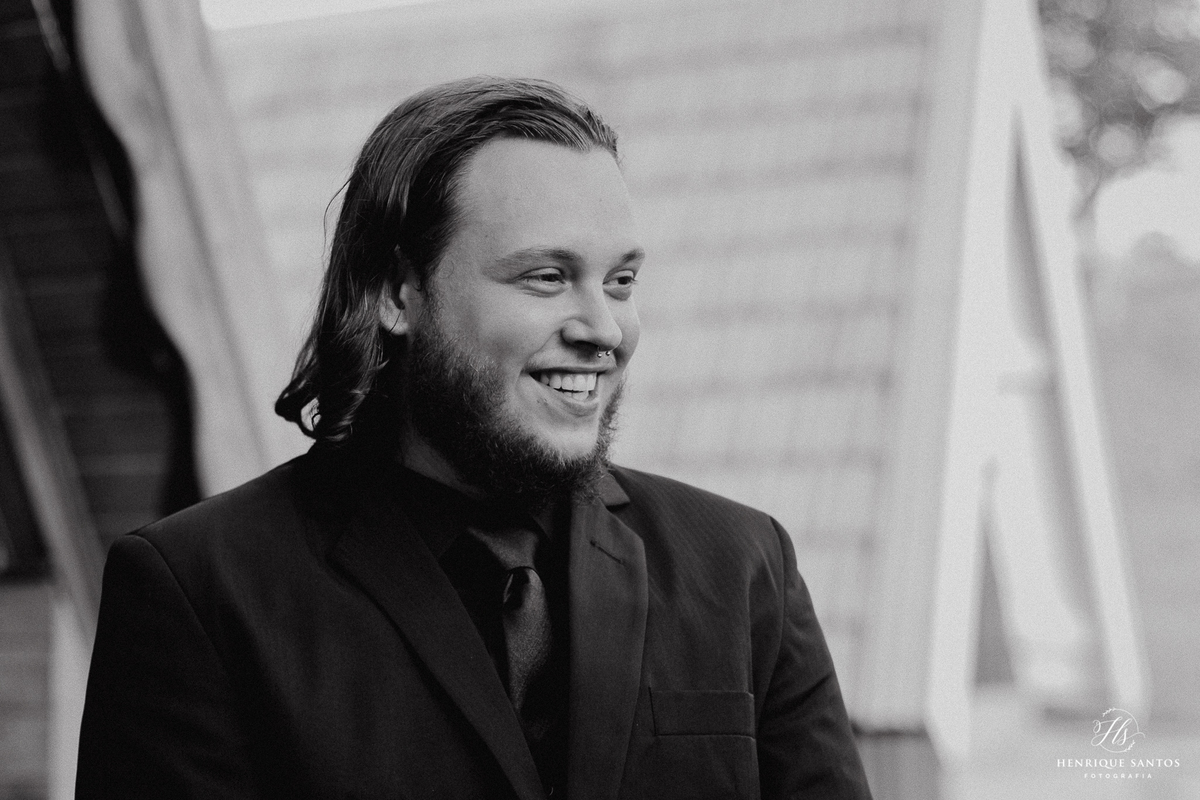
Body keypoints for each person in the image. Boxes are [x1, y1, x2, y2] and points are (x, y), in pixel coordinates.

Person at [76, 76, 873, 800]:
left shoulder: (745, 567)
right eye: (547, 277)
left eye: (621, 281)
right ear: (397, 292)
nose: (604, 329)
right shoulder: (198, 591)